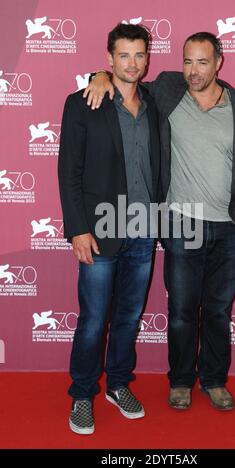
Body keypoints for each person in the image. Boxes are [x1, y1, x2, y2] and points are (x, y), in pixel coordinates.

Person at [84, 32, 235, 412]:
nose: (193, 71)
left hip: (229, 227)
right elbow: (125, 74)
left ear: (219, 62)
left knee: (219, 310)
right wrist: (99, 76)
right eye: (187, 61)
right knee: (181, 311)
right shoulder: (168, 90)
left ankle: (213, 379)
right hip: (181, 223)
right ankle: (180, 381)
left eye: (202, 62)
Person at [58, 23, 161, 434]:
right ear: (108, 59)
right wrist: (77, 229)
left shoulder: (158, 100)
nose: (132, 63)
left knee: (129, 315)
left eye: (139, 55)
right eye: (123, 55)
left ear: (147, 58)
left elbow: (199, 75)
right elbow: (69, 172)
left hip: (143, 227)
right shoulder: (83, 103)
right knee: (94, 316)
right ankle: (83, 393)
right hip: (99, 229)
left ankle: (118, 384)